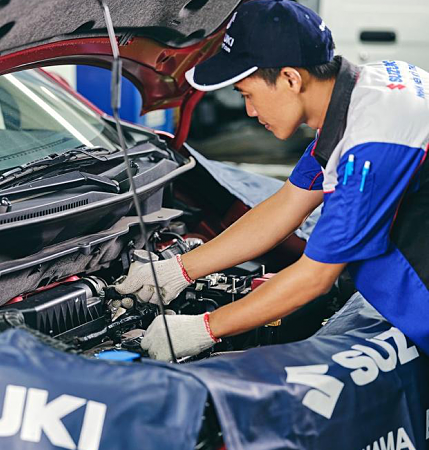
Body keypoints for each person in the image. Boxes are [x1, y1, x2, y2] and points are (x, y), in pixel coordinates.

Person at [115, 0, 429, 361]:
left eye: (248, 94)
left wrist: (204, 328)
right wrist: (178, 270)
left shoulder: (371, 144)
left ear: (291, 78)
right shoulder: (364, 93)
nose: (250, 111)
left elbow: (315, 278)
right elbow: (286, 205)